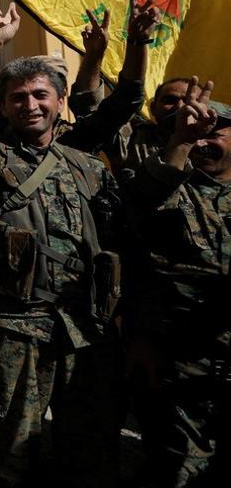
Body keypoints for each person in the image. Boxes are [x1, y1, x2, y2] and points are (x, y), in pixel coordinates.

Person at [0, 0, 127, 488]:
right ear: (1, 106)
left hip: (81, 328)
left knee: (87, 449)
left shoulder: (85, 166)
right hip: (12, 330)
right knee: (8, 451)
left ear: (59, 101)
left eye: (40, 95)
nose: (30, 105)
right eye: (18, 97)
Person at [123, 79, 230, 487]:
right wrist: (181, 141)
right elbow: (142, 196)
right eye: (193, 132)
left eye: (213, 130)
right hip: (177, 365)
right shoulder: (165, 185)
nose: (203, 141)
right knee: (177, 471)